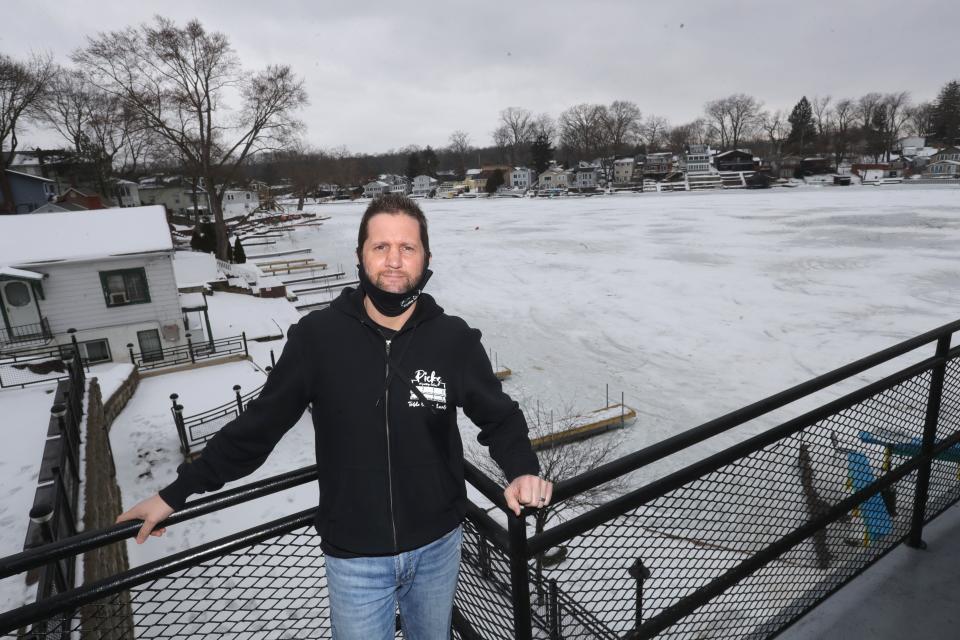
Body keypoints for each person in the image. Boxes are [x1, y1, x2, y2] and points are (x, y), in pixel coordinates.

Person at [118, 193, 552, 639]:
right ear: (361, 256)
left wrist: (521, 469)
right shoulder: (317, 339)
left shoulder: (453, 340)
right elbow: (258, 427)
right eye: (380, 246)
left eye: (407, 247)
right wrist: (177, 492)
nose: (394, 260)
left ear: (426, 257)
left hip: (438, 545)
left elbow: (499, 417)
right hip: (354, 556)